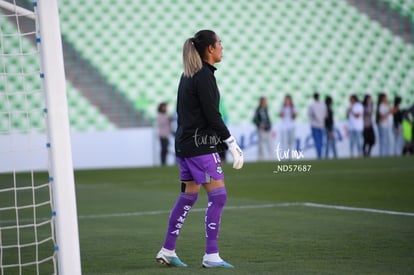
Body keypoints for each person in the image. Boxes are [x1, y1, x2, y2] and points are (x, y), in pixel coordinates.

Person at [156, 30, 243, 269]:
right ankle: (211, 256)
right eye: (220, 44)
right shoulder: (203, 76)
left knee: (188, 197)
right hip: (200, 146)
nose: (222, 48)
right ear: (210, 49)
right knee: (219, 196)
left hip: (185, 145)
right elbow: (212, 115)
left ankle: (167, 250)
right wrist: (232, 144)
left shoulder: (188, 75)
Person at [307, 92, 327, 159]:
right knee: (321, 141)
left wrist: (316, 118)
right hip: (321, 125)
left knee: (317, 141)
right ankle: (320, 154)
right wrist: (321, 119)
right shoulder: (323, 105)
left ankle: (319, 155)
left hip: (314, 125)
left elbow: (309, 115)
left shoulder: (312, 105)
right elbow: (325, 115)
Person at [253, 96, 273, 160]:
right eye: (264, 101)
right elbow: (255, 119)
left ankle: (271, 157)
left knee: (269, 143)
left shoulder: (266, 109)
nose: (265, 103)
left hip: (267, 129)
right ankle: (261, 158)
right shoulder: (258, 110)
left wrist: (269, 125)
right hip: (261, 129)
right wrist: (260, 125)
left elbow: (268, 119)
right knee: (261, 144)